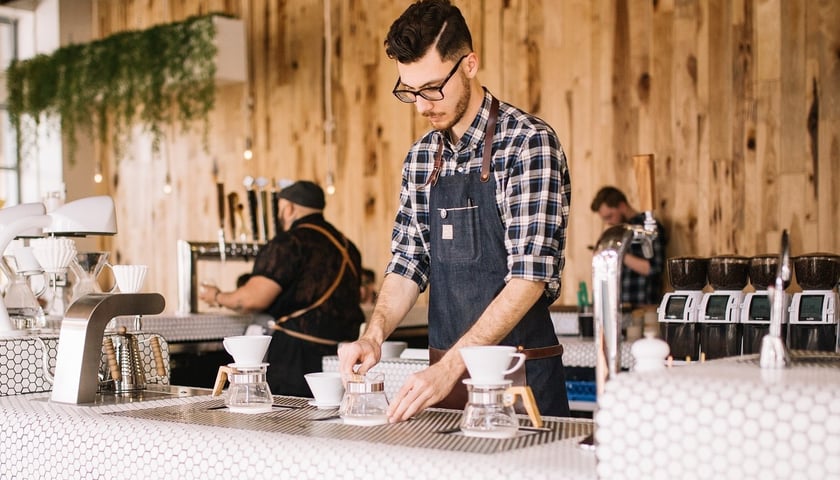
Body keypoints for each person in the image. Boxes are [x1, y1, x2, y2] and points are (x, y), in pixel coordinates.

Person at [339, 0, 572, 421]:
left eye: (431, 88)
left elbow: (529, 279)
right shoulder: (421, 158)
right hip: (444, 386)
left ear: (469, 64)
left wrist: (450, 367)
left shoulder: (528, 144)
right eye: (409, 92)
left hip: (518, 384)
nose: (422, 105)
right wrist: (373, 335)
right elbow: (408, 262)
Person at [199, 180, 365, 397]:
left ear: (288, 209)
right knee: (331, 422)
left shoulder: (290, 242)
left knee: (288, 423)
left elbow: (249, 299)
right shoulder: (347, 246)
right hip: (341, 357)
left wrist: (216, 296)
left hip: (296, 359)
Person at [590, 185, 667, 306]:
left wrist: (617, 253)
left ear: (622, 206)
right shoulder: (619, 231)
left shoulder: (648, 228)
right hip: (618, 306)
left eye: (609, 216)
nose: (608, 222)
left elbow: (654, 269)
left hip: (643, 307)